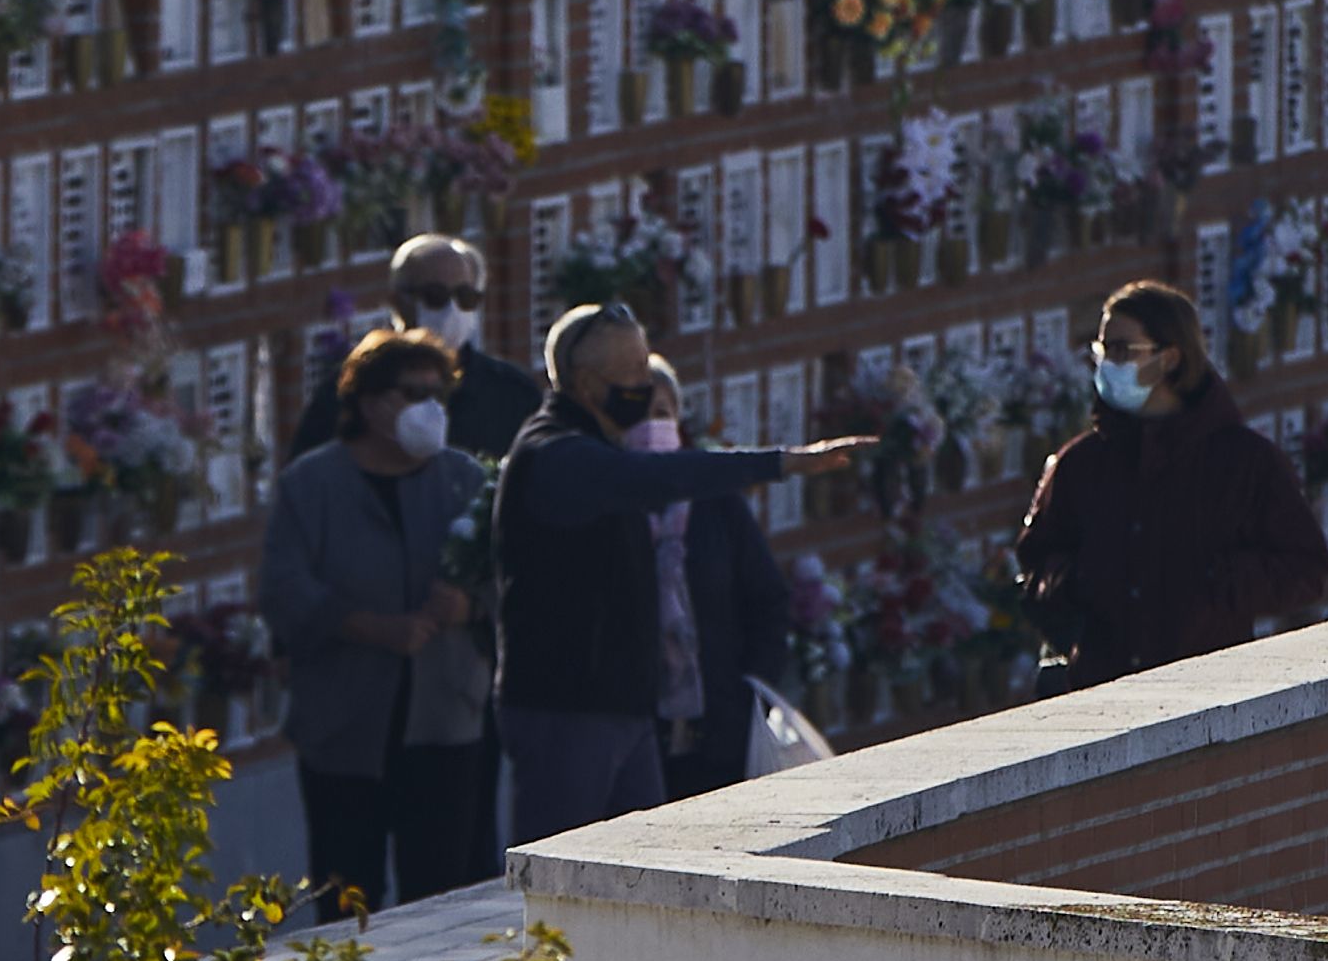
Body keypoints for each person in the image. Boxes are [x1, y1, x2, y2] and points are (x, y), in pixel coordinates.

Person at [496, 302, 871, 846]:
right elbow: (656, 477)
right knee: (563, 869)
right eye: (631, 374)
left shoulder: (600, 445)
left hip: (626, 705)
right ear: (586, 383)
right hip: (567, 710)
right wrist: (783, 463)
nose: (644, 387)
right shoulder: (555, 454)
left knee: (652, 860)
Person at [259, 328, 491, 921]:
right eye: (413, 393)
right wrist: (365, 626)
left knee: (440, 898)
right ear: (368, 402)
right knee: (346, 897)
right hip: (344, 726)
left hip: (443, 723)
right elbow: (283, 588)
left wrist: (469, 608)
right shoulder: (312, 485)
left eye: (438, 394)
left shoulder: (465, 480)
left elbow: (512, 578)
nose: (429, 407)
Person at [1015, 279, 1328, 690]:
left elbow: (1305, 567)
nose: (1107, 364)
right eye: (1102, 350)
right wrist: (1080, 583)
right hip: (1102, 691)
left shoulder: (1243, 461)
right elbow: (1036, 560)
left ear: (1169, 358)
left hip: (1208, 690)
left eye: (1122, 350)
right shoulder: (1081, 463)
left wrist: (1214, 582)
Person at [636, 355, 791, 801]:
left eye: (661, 412)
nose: (651, 425)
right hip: (638, 739)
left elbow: (767, 600)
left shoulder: (714, 499)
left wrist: (750, 697)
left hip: (721, 733)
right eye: (639, 414)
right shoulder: (608, 507)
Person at [283, 233, 541, 464]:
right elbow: (308, 482)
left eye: (465, 297)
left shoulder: (511, 393)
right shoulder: (350, 391)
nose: (452, 309)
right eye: (435, 296)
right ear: (398, 302)